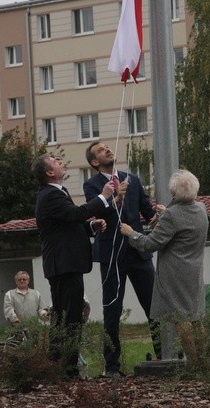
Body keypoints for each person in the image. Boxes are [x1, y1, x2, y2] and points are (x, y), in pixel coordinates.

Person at [31, 154, 114, 379]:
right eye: (56, 161)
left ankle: (57, 368)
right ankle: (67, 371)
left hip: (64, 264)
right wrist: (103, 197)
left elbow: (68, 224)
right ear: (49, 173)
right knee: (70, 319)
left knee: (63, 318)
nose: (61, 162)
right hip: (64, 265)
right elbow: (75, 214)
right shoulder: (50, 195)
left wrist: (90, 227)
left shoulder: (57, 193)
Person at [84, 141, 161, 377]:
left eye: (108, 147)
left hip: (138, 253)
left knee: (154, 307)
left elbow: (148, 213)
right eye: (101, 150)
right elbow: (97, 213)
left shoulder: (133, 178)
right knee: (112, 311)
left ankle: (164, 355)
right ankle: (112, 367)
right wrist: (115, 197)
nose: (107, 149)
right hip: (111, 255)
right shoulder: (92, 185)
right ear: (95, 162)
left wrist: (157, 215)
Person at [120, 169, 209, 361]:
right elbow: (185, 223)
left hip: (175, 273)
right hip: (194, 270)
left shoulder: (172, 216)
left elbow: (149, 244)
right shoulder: (201, 209)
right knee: (195, 316)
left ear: (174, 194)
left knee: (180, 317)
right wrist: (167, 212)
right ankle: (205, 360)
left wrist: (131, 233)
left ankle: (193, 361)